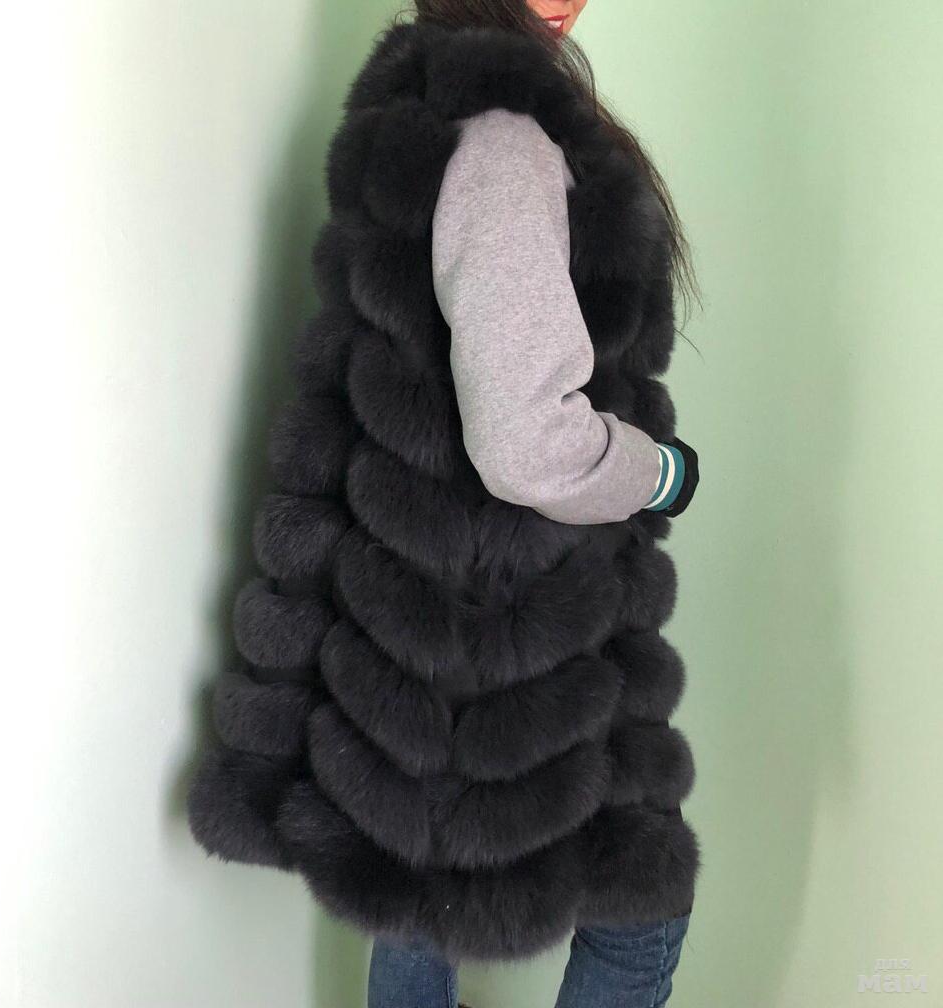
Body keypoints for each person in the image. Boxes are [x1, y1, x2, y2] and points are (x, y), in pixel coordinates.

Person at [188, 2, 702, 1006]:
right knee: (636, 907)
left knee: (417, 901)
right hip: (515, 645)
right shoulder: (505, 142)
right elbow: (524, 445)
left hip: (426, 642)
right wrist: (662, 473)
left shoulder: (427, 115)